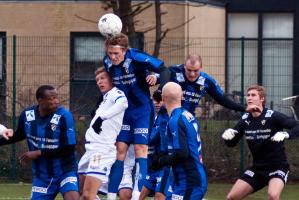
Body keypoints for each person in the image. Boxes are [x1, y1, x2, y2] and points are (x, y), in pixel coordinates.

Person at [103, 33, 170, 199]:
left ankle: (137, 194)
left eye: (116, 53)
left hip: (142, 111)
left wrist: (158, 82)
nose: (112, 57)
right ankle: (111, 196)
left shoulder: (137, 57)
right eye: (110, 53)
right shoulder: (107, 63)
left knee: (141, 150)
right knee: (120, 151)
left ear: (125, 50)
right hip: (123, 113)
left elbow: (164, 69)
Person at [0, 85, 79, 200]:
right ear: (40, 100)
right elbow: (20, 134)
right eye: (51, 98)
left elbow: (69, 148)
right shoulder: (27, 115)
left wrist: (37, 153)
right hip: (42, 176)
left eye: (56, 97)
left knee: (72, 197)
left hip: (65, 171)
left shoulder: (64, 116)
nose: (56, 101)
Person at [222, 85, 299, 200]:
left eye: (253, 95)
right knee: (231, 197)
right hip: (257, 169)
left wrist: (286, 134)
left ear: (262, 99)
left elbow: (297, 126)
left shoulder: (273, 116)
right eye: (248, 95)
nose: (249, 98)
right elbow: (231, 143)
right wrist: (227, 137)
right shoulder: (245, 120)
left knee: (273, 195)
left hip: (278, 167)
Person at [151, 82, 208, 200]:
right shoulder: (188, 115)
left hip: (189, 181)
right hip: (186, 178)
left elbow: (182, 153)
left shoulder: (175, 120)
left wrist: (161, 161)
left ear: (163, 98)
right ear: (182, 96)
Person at [78, 67, 128, 200]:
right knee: (81, 194)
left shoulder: (116, 93)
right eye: (97, 80)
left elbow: (123, 103)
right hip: (90, 149)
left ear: (111, 79)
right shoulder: (104, 99)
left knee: (88, 195)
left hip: (102, 150)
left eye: (102, 78)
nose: (99, 82)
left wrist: (102, 117)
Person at [168, 54, 245, 115]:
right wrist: (155, 78)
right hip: (169, 117)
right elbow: (158, 77)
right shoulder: (174, 72)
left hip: (189, 118)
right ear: (184, 66)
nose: (192, 74)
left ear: (201, 68)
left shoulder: (207, 81)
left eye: (195, 70)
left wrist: (244, 108)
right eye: (189, 70)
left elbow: (222, 100)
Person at [139, 90, 172, 200]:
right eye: (155, 100)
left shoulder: (167, 118)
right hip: (152, 164)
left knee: (159, 195)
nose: (158, 103)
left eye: (161, 100)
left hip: (164, 164)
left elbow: (152, 139)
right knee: (141, 195)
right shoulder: (149, 117)